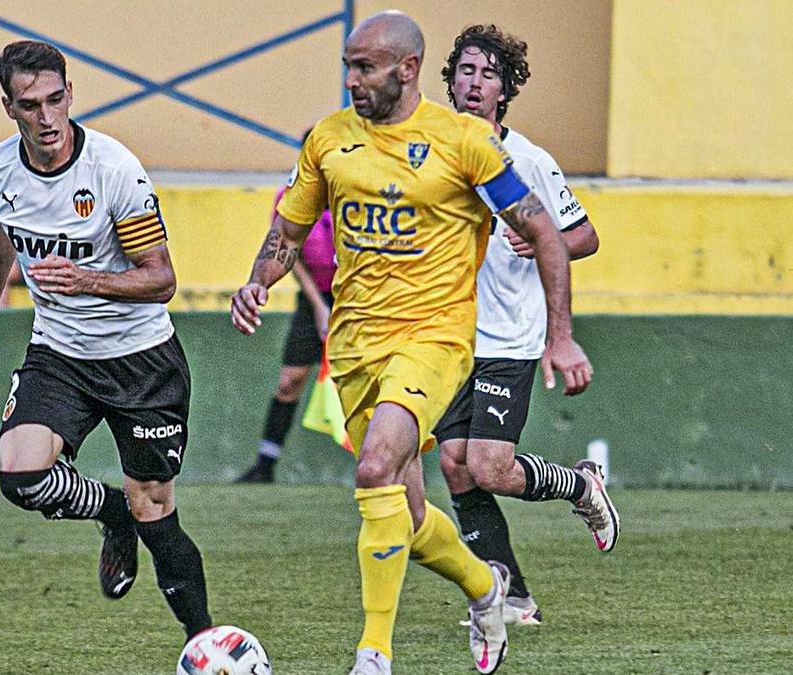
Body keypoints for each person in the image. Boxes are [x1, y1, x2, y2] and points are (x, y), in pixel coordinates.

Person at [231, 11, 598, 675]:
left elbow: (549, 233)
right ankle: (487, 585)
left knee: (376, 467)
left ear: (407, 69)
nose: (352, 79)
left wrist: (562, 338)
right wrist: (258, 280)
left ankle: (374, 654)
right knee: (405, 506)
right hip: (354, 342)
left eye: (365, 67)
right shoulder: (327, 139)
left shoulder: (464, 143)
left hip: (436, 337)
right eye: (348, 65)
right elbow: (289, 228)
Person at [0, 40, 211, 643]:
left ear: (70, 95)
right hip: (60, 357)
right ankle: (110, 510)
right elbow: (0, 235)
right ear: (8, 106)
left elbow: (162, 280)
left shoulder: (112, 171)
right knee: (21, 478)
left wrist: (86, 280)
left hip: (141, 363)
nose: (46, 118)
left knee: (157, 513)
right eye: (30, 105)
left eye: (55, 100)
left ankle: (203, 642)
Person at [435, 24, 620, 629]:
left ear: (505, 89)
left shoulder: (530, 160)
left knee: (487, 465)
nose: (474, 83)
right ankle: (511, 599)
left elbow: (585, 236)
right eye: (466, 70)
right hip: (450, 335)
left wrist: (541, 238)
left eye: (488, 74)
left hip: (508, 334)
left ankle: (580, 485)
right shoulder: (433, 149)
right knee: (456, 464)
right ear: (450, 78)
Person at [236, 141, 336, 483]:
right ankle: (265, 464)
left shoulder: (354, 191)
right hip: (313, 301)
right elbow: (289, 250)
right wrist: (320, 307)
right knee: (290, 381)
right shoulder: (294, 195)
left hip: (358, 296)